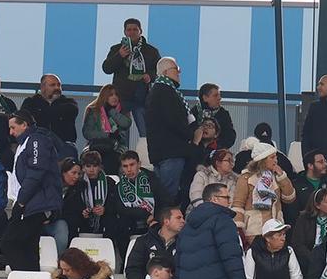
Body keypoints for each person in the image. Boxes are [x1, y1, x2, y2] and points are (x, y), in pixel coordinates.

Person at [0, 110, 65, 272]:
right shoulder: (26, 142)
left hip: (37, 204)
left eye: (13, 127)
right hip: (32, 203)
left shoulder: (36, 140)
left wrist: (21, 201)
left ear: (24, 124)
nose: (11, 132)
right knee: (29, 246)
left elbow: (36, 172)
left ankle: (25, 276)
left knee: (10, 241)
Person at [101, 16, 159, 138]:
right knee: (119, 133)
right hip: (121, 97)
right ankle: (120, 153)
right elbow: (106, 68)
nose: (132, 32)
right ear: (124, 32)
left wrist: (150, 76)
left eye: (135, 29)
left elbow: (159, 70)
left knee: (145, 133)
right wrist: (119, 55)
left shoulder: (151, 51)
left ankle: (146, 152)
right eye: (129, 30)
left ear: (140, 31)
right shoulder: (116, 49)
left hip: (141, 97)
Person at [143, 56, 190, 203]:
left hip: (160, 152)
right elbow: (174, 120)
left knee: (162, 193)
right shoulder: (166, 92)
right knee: (168, 196)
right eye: (176, 69)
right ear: (165, 72)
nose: (179, 73)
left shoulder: (157, 90)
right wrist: (190, 134)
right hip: (171, 152)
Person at [232, 142, 294, 242]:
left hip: (276, 228)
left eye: (276, 157)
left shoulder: (276, 177)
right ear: (263, 160)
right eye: (272, 157)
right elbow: (238, 205)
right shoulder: (246, 178)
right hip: (255, 230)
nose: (276, 160)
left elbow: (289, 198)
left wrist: (282, 177)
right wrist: (239, 229)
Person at [125, 204, 184, 279]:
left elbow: (183, 272)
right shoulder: (143, 241)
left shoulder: (184, 244)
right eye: (178, 218)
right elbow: (133, 270)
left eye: (182, 218)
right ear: (166, 221)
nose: (183, 221)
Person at [62, 149, 114, 241]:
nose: (91, 169)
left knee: (112, 221)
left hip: (104, 218)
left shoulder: (109, 182)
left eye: (95, 166)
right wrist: (83, 212)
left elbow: (114, 203)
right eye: (88, 166)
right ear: (83, 167)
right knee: (72, 220)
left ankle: (110, 249)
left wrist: (105, 209)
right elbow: (71, 205)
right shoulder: (78, 183)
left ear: (100, 167)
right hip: (83, 220)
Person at [80, 84, 131, 170]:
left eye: (116, 94)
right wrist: (107, 135)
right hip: (96, 145)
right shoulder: (93, 110)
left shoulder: (123, 110)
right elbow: (87, 133)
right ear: (104, 96)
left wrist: (112, 111)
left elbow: (126, 124)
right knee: (92, 158)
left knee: (112, 160)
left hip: (117, 146)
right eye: (111, 95)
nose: (114, 97)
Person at [20, 74, 78, 147]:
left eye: (59, 85)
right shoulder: (30, 102)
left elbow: (70, 111)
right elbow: (23, 121)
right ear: (42, 87)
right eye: (52, 85)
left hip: (64, 146)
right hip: (37, 146)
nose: (57, 88)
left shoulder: (69, 103)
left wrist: (41, 111)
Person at [189, 82, 236, 155]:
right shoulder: (192, 113)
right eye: (215, 95)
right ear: (205, 98)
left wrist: (217, 147)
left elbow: (230, 136)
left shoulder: (223, 114)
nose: (219, 98)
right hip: (194, 152)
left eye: (219, 95)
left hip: (216, 154)